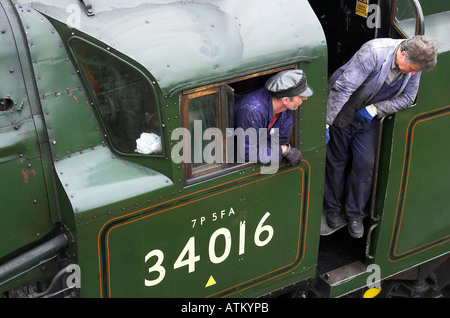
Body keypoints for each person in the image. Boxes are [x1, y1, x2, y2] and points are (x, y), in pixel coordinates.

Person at [323, 35, 438, 238]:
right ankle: (332, 208)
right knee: (336, 161)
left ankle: (355, 215)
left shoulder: (415, 66)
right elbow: (344, 88)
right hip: (343, 111)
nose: (412, 74)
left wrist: (376, 109)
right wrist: (327, 121)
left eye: (416, 71)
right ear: (402, 53)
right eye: (410, 68)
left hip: (368, 119)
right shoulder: (373, 52)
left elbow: (408, 98)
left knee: (365, 165)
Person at [233, 69, 313, 168]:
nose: (305, 98)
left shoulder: (286, 108)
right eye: (301, 96)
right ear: (285, 100)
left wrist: (276, 149)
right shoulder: (252, 110)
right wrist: (283, 150)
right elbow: (247, 152)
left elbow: (281, 139)